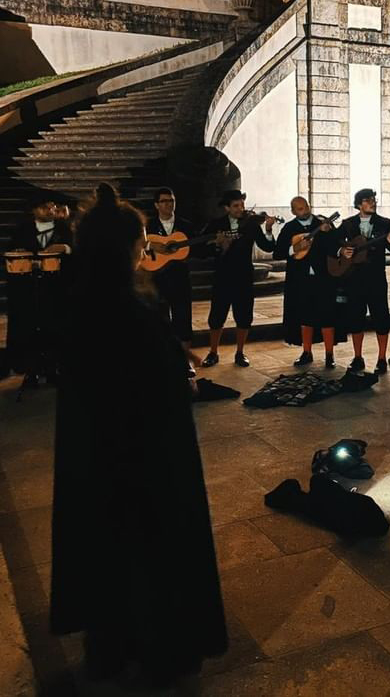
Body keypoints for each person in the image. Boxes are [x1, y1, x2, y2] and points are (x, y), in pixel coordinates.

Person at [51, 183, 227, 686]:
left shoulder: (78, 305)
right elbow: (158, 395)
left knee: (105, 551)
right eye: (141, 241)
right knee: (152, 557)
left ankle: (108, 644)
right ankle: (161, 649)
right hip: (147, 462)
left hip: (96, 463)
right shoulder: (136, 312)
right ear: (127, 248)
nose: (145, 249)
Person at [200, 190, 280, 368]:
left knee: (244, 316)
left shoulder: (251, 225)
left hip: (244, 276)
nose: (241, 209)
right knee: (217, 316)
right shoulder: (216, 224)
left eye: (242, 205)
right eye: (236, 206)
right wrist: (218, 245)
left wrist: (268, 229)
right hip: (222, 276)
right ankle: (213, 352)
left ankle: (240, 353)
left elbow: (267, 247)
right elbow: (201, 249)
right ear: (227, 207)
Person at [6, 191, 73, 380]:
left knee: (55, 328)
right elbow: (11, 251)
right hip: (30, 288)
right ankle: (31, 369)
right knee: (30, 329)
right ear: (34, 210)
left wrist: (65, 248)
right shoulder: (23, 229)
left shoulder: (64, 228)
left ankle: (53, 368)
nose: (50, 210)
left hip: (56, 288)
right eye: (45, 207)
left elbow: (78, 249)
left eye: (52, 207)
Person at [334, 189, 390, 375]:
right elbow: (332, 242)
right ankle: (357, 357)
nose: (372, 202)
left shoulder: (385, 224)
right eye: (368, 200)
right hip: (354, 278)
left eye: (373, 199)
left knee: (381, 317)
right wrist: (341, 250)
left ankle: (381, 358)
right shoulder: (348, 224)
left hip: (376, 278)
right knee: (356, 318)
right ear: (358, 204)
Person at [274, 196, 340, 369]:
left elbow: (336, 247)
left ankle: (329, 355)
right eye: (300, 209)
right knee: (305, 316)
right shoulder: (290, 228)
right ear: (293, 211)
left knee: (327, 316)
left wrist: (328, 232)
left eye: (306, 207)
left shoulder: (322, 223)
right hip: (300, 280)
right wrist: (295, 248)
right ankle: (307, 352)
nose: (305, 211)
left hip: (324, 277)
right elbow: (278, 252)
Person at [145, 187, 195, 370]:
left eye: (171, 201)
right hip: (157, 278)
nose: (169, 204)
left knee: (183, 320)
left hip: (180, 278)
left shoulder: (186, 225)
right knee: (160, 320)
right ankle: (163, 361)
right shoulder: (148, 226)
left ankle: (186, 361)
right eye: (164, 201)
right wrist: (151, 245)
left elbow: (198, 249)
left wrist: (217, 243)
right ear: (156, 205)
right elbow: (136, 243)